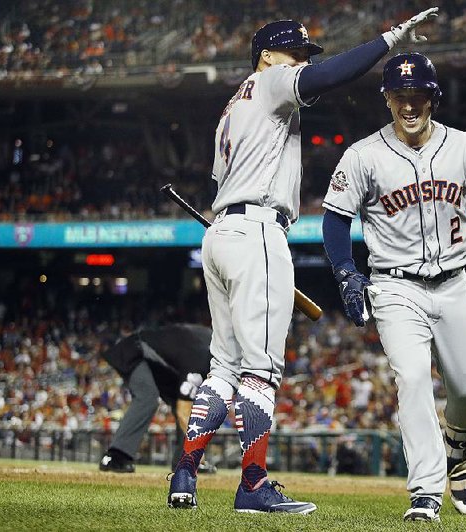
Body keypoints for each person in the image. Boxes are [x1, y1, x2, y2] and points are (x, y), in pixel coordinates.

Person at [167, 10, 442, 515]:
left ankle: (185, 473)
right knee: (261, 370)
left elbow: (220, 178)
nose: (301, 63)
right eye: (294, 54)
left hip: (222, 232)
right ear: (268, 57)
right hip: (258, 232)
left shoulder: (232, 108)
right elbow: (329, 76)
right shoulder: (269, 81)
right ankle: (253, 484)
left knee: (222, 367)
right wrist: (387, 40)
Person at [320, 52, 466, 522]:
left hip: (454, 284)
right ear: (388, 99)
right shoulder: (363, 155)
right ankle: (425, 491)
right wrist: (344, 270)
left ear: (432, 97)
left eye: (417, 95)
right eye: (400, 96)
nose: (409, 105)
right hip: (395, 288)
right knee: (413, 378)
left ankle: (459, 453)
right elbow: (335, 219)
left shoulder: (462, 147)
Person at [99, 324, 212, 474]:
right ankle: (116, 456)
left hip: (162, 365)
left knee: (196, 404)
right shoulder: (201, 358)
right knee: (148, 397)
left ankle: (185, 462)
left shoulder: (214, 348)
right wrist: (197, 448)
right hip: (136, 351)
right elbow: (183, 409)